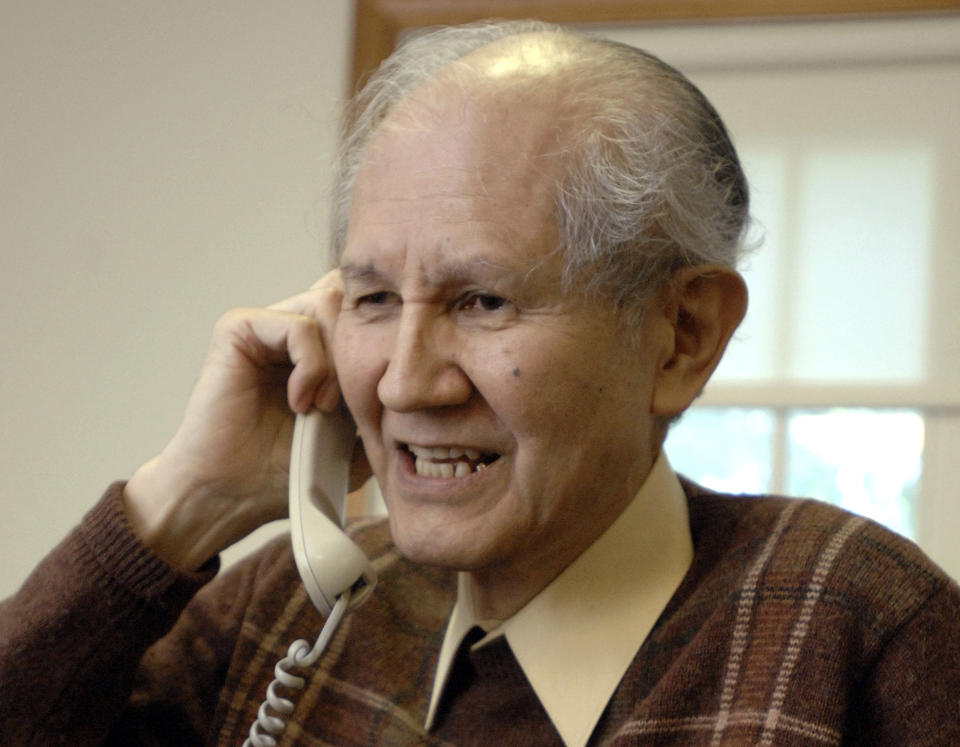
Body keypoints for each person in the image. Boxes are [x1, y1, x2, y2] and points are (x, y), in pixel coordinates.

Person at [2, 19, 959, 746]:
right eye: (373, 297)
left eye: (485, 301)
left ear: (682, 335)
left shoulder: (856, 619)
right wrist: (181, 506)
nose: (404, 382)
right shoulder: (285, 616)